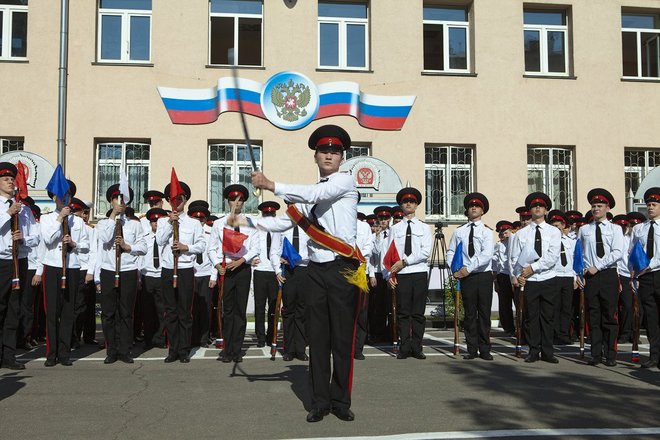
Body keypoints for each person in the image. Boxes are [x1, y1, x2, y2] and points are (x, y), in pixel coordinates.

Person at [249, 124, 362, 423]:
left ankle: (341, 401)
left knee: (342, 340)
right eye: (323, 151)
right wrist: (244, 223)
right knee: (319, 339)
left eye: (334, 151)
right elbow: (283, 223)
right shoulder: (311, 196)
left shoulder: (344, 182)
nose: (329, 155)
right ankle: (320, 402)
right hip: (315, 271)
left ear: (342, 157)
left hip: (342, 269)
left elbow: (316, 192)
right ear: (315, 156)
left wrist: (271, 184)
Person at [96, 184, 147, 364]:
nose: (120, 203)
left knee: (126, 312)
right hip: (109, 270)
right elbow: (104, 239)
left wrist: (128, 246)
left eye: (123, 200)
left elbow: (143, 247)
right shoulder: (103, 223)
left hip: (128, 270)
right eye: (117, 200)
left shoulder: (134, 224)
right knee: (108, 313)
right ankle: (111, 350)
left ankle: (125, 350)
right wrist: (113, 217)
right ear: (111, 202)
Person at [208, 184, 259, 363]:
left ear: (243, 203)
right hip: (227, 268)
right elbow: (211, 248)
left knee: (240, 310)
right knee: (227, 310)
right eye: (232, 200)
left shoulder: (250, 223)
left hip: (243, 268)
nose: (236, 203)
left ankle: (237, 350)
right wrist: (217, 265)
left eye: (240, 200)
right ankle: (227, 350)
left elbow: (256, 248)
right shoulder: (218, 223)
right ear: (228, 202)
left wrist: (242, 260)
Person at [41, 179, 89, 366]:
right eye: (61, 195)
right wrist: (60, 218)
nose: (65, 198)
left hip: (72, 267)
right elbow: (48, 240)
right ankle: (51, 353)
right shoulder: (47, 218)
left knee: (68, 311)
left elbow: (86, 245)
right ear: (54, 198)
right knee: (52, 312)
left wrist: (74, 244)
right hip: (53, 266)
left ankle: (64, 353)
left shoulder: (78, 221)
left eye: (68, 195)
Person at [156, 180, 205, 363]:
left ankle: (184, 350)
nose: (177, 202)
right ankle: (173, 349)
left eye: (180, 199)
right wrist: (170, 222)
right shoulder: (163, 221)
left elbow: (201, 245)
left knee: (185, 312)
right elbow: (160, 241)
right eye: (173, 199)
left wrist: (186, 247)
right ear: (169, 201)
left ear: (185, 200)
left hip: (184, 269)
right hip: (168, 269)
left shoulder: (193, 223)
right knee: (170, 312)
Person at [509, 192, 560, 364]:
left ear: (546, 210)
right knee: (531, 317)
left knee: (548, 317)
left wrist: (533, 268)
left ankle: (547, 351)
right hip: (529, 281)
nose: (537, 208)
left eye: (541, 206)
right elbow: (515, 258)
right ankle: (533, 350)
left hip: (548, 278)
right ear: (530, 210)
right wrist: (519, 275)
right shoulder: (521, 234)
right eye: (534, 206)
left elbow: (552, 256)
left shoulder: (554, 232)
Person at [577, 188, 623, 367]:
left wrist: (599, 266)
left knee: (609, 315)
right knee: (594, 315)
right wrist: (579, 273)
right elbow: (579, 254)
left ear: (607, 208)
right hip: (590, 276)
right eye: (594, 206)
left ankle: (611, 353)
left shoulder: (615, 229)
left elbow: (617, 252)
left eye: (600, 206)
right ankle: (596, 353)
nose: (596, 209)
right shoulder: (584, 230)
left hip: (608, 274)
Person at [0, 162, 38, 369]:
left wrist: (23, 238)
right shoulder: (7, 208)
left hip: (18, 261)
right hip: (1, 261)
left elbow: (36, 237)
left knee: (14, 309)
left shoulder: (24, 210)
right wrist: (7, 213)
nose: (10, 182)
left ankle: (9, 355)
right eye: (5, 179)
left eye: (12, 179)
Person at [446, 193, 493, 360]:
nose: (474, 208)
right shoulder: (459, 231)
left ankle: (485, 349)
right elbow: (451, 251)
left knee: (484, 314)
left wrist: (469, 268)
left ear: (482, 211)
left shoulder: (486, 231)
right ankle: (472, 349)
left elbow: (486, 254)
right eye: (471, 206)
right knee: (470, 314)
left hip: (483, 275)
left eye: (477, 206)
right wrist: (454, 269)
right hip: (466, 278)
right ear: (467, 210)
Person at [270, 203, 310, 362]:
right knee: (288, 310)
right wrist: (277, 270)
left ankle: (300, 349)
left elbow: (313, 250)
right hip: (287, 271)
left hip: (304, 270)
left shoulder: (308, 224)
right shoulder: (281, 224)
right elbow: (274, 251)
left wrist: (299, 259)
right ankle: (289, 349)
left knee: (302, 310)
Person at [632, 188, 660, 369]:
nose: (650, 207)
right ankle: (654, 356)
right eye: (648, 204)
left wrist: (648, 266)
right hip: (645, 277)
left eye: (654, 204)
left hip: (657, 271)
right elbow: (633, 251)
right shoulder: (639, 228)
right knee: (651, 318)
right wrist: (633, 273)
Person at [253, 201, 282, 348]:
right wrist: (251, 259)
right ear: (262, 215)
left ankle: (271, 335)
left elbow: (284, 245)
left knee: (273, 306)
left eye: (271, 214)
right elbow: (250, 244)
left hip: (274, 272)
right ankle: (260, 336)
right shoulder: (256, 227)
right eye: (266, 214)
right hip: (260, 270)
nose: (269, 217)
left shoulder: (279, 228)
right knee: (259, 306)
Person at [188, 201, 216, 348]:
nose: (199, 221)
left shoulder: (211, 232)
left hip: (206, 274)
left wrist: (213, 275)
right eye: (196, 218)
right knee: (191, 308)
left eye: (202, 218)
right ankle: (192, 338)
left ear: (206, 219)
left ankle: (204, 338)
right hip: (190, 273)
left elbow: (215, 254)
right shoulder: (187, 231)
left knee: (205, 308)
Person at [140, 207, 168, 349]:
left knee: (162, 310)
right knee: (148, 311)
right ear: (150, 223)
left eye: (159, 221)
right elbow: (139, 257)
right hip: (148, 276)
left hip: (162, 275)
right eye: (153, 221)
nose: (156, 223)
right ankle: (149, 340)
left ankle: (160, 338)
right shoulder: (144, 237)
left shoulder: (168, 238)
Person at [71, 199, 98, 348]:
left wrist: (90, 271)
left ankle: (87, 336)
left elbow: (93, 251)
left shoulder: (90, 230)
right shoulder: (69, 226)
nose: (84, 216)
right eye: (82, 213)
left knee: (85, 306)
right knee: (75, 306)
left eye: (86, 213)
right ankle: (73, 337)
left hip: (84, 269)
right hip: (72, 268)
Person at [547, 210, 576, 345]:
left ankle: (564, 333)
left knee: (567, 307)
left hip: (568, 276)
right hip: (555, 275)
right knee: (555, 307)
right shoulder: (549, 242)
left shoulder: (571, 242)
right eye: (553, 226)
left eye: (558, 226)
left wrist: (575, 277)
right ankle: (554, 334)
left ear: (563, 226)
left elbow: (575, 260)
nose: (556, 229)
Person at [353, 205, 373, 359]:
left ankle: (358, 348)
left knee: (361, 311)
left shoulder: (364, 226)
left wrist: (355, 255)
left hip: (360, 271)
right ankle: (344, 346)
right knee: (343, 311)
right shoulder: (338, 224)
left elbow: (368, 247)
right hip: (342, 271)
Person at [493, 220, 514, 336]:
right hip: (503, 275)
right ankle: (508, 328)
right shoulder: (498, 245)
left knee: (519, 302)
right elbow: (495, 263)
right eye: (501, 233)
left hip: (515, 274)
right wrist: (495, 280)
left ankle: (521, 328)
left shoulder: (516, 242)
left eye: (506, 233)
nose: (504, 235)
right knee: (505, 304)